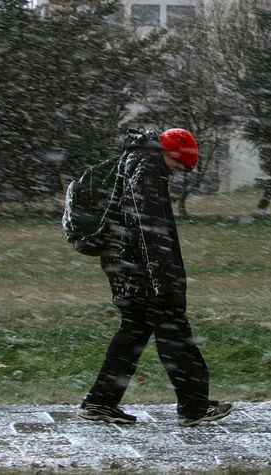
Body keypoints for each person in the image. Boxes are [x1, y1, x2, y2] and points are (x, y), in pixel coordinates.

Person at [77, 128, 233, 427]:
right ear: (169, 154)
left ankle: (100, 402)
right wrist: (163, 278)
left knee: (134, 330)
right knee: (173, 330)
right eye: (177, 166)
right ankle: (193, 406)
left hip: (123, 262)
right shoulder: (147, 168)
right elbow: (149, 229)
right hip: (141, 268)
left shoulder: (135, 161)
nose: (176, 174)